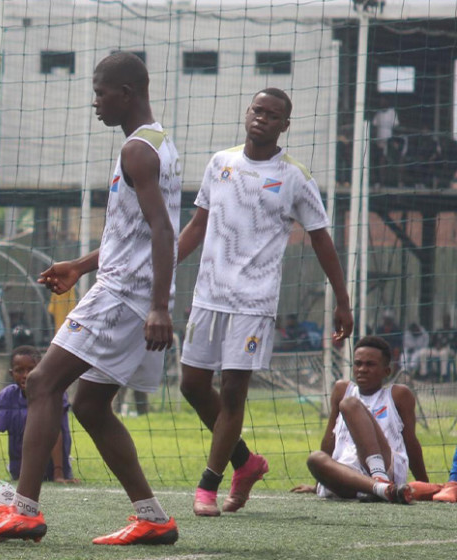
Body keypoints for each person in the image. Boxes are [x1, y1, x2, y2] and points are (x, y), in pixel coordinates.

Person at [0, 51, 181, 546]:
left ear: (126, 93)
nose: (95, 101)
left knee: (40, 383)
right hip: (127, 289)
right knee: (92, 406)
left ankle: (24, 511)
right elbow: (137, 233)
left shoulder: (137, 152)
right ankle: (153, 517)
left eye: (101, 91)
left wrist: (160, 306)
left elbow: (165, 231)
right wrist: (80, 266)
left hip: (123, 295)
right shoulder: (156, 143)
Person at [175, 88, 353, 517]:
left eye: (273, 115)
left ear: (284, 125)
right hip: (207, 297)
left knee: (234, 392)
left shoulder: (295, 176)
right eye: (258, 110)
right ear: (247, 113)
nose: (262, 118)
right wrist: (159, 271)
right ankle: (246, 462)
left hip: (254, 302)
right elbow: (198, 225)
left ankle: (208, 485)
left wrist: (342, 299)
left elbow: (321, 239)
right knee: (192, 385)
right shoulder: (220, 162)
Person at [293, 336, 426, 503]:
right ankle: (380, 489)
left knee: (349, 405)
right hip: (348, 474)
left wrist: (425, 485)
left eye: (370, 364)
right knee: (315, 459)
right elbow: (330, 439)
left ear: (386, 371)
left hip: (385, 465)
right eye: (358, 364)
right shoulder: (342, 389)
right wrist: (318, 483)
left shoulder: (397, 395)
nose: (362, 369)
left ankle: (380, 478)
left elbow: (411, 442)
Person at [0, 345, 75, 483]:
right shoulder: (8, 397)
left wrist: (58, 474)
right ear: (11, 374)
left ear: (42, 371)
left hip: (54, 473)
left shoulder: (53, 393)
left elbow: (55, 433)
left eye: (31, 369)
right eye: (19, 370)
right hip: (21, 473)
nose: (26, 375)